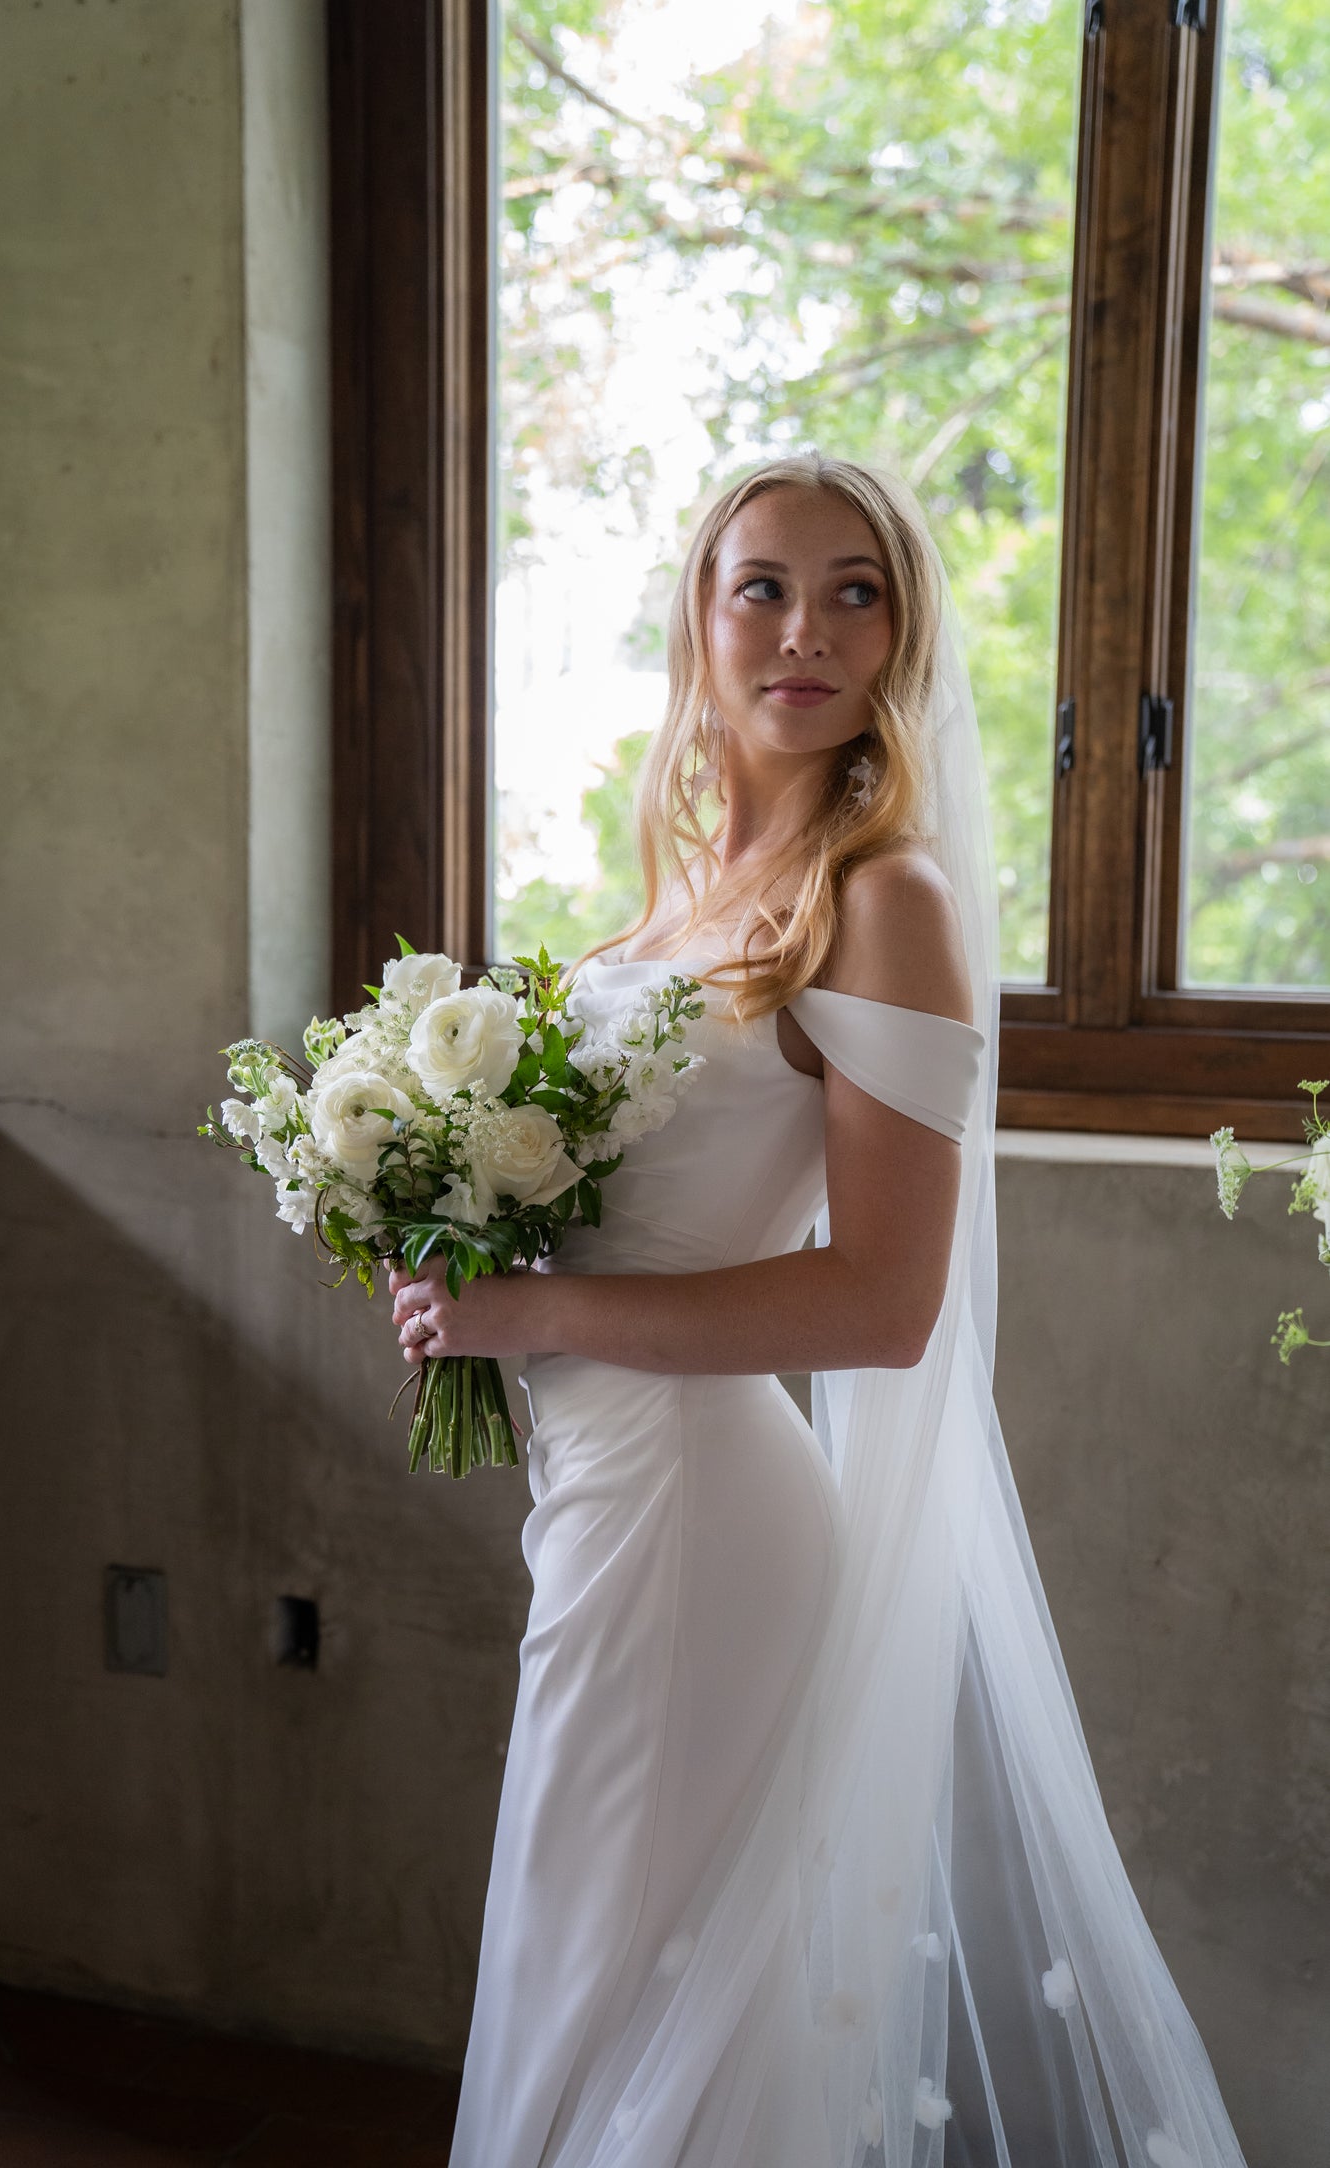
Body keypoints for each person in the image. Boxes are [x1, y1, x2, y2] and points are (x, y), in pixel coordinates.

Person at [390, 454, 1248, 2167]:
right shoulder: (682, 896)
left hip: (707, 1507)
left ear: (904, 629)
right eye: (761, 587)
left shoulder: (883, 899)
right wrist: (456, 1261)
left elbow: (879, 1301)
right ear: (696, 625)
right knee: (590, 1954)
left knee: (630, 1967)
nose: (805, 629)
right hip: (611, 1495)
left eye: (855, 589)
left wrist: (536, 1319)